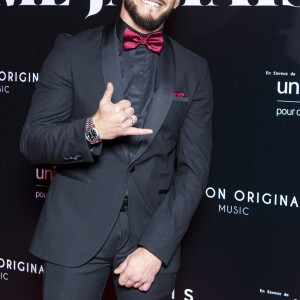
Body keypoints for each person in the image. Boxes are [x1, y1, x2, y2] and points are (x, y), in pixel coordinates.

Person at [20, 0, 213, 298]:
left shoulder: (195, 69)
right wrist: (92, 129)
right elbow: (33, 141)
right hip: (74, 233)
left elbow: (193, 171)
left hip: (152, 239)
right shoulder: (72, 50)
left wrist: (155, 248)